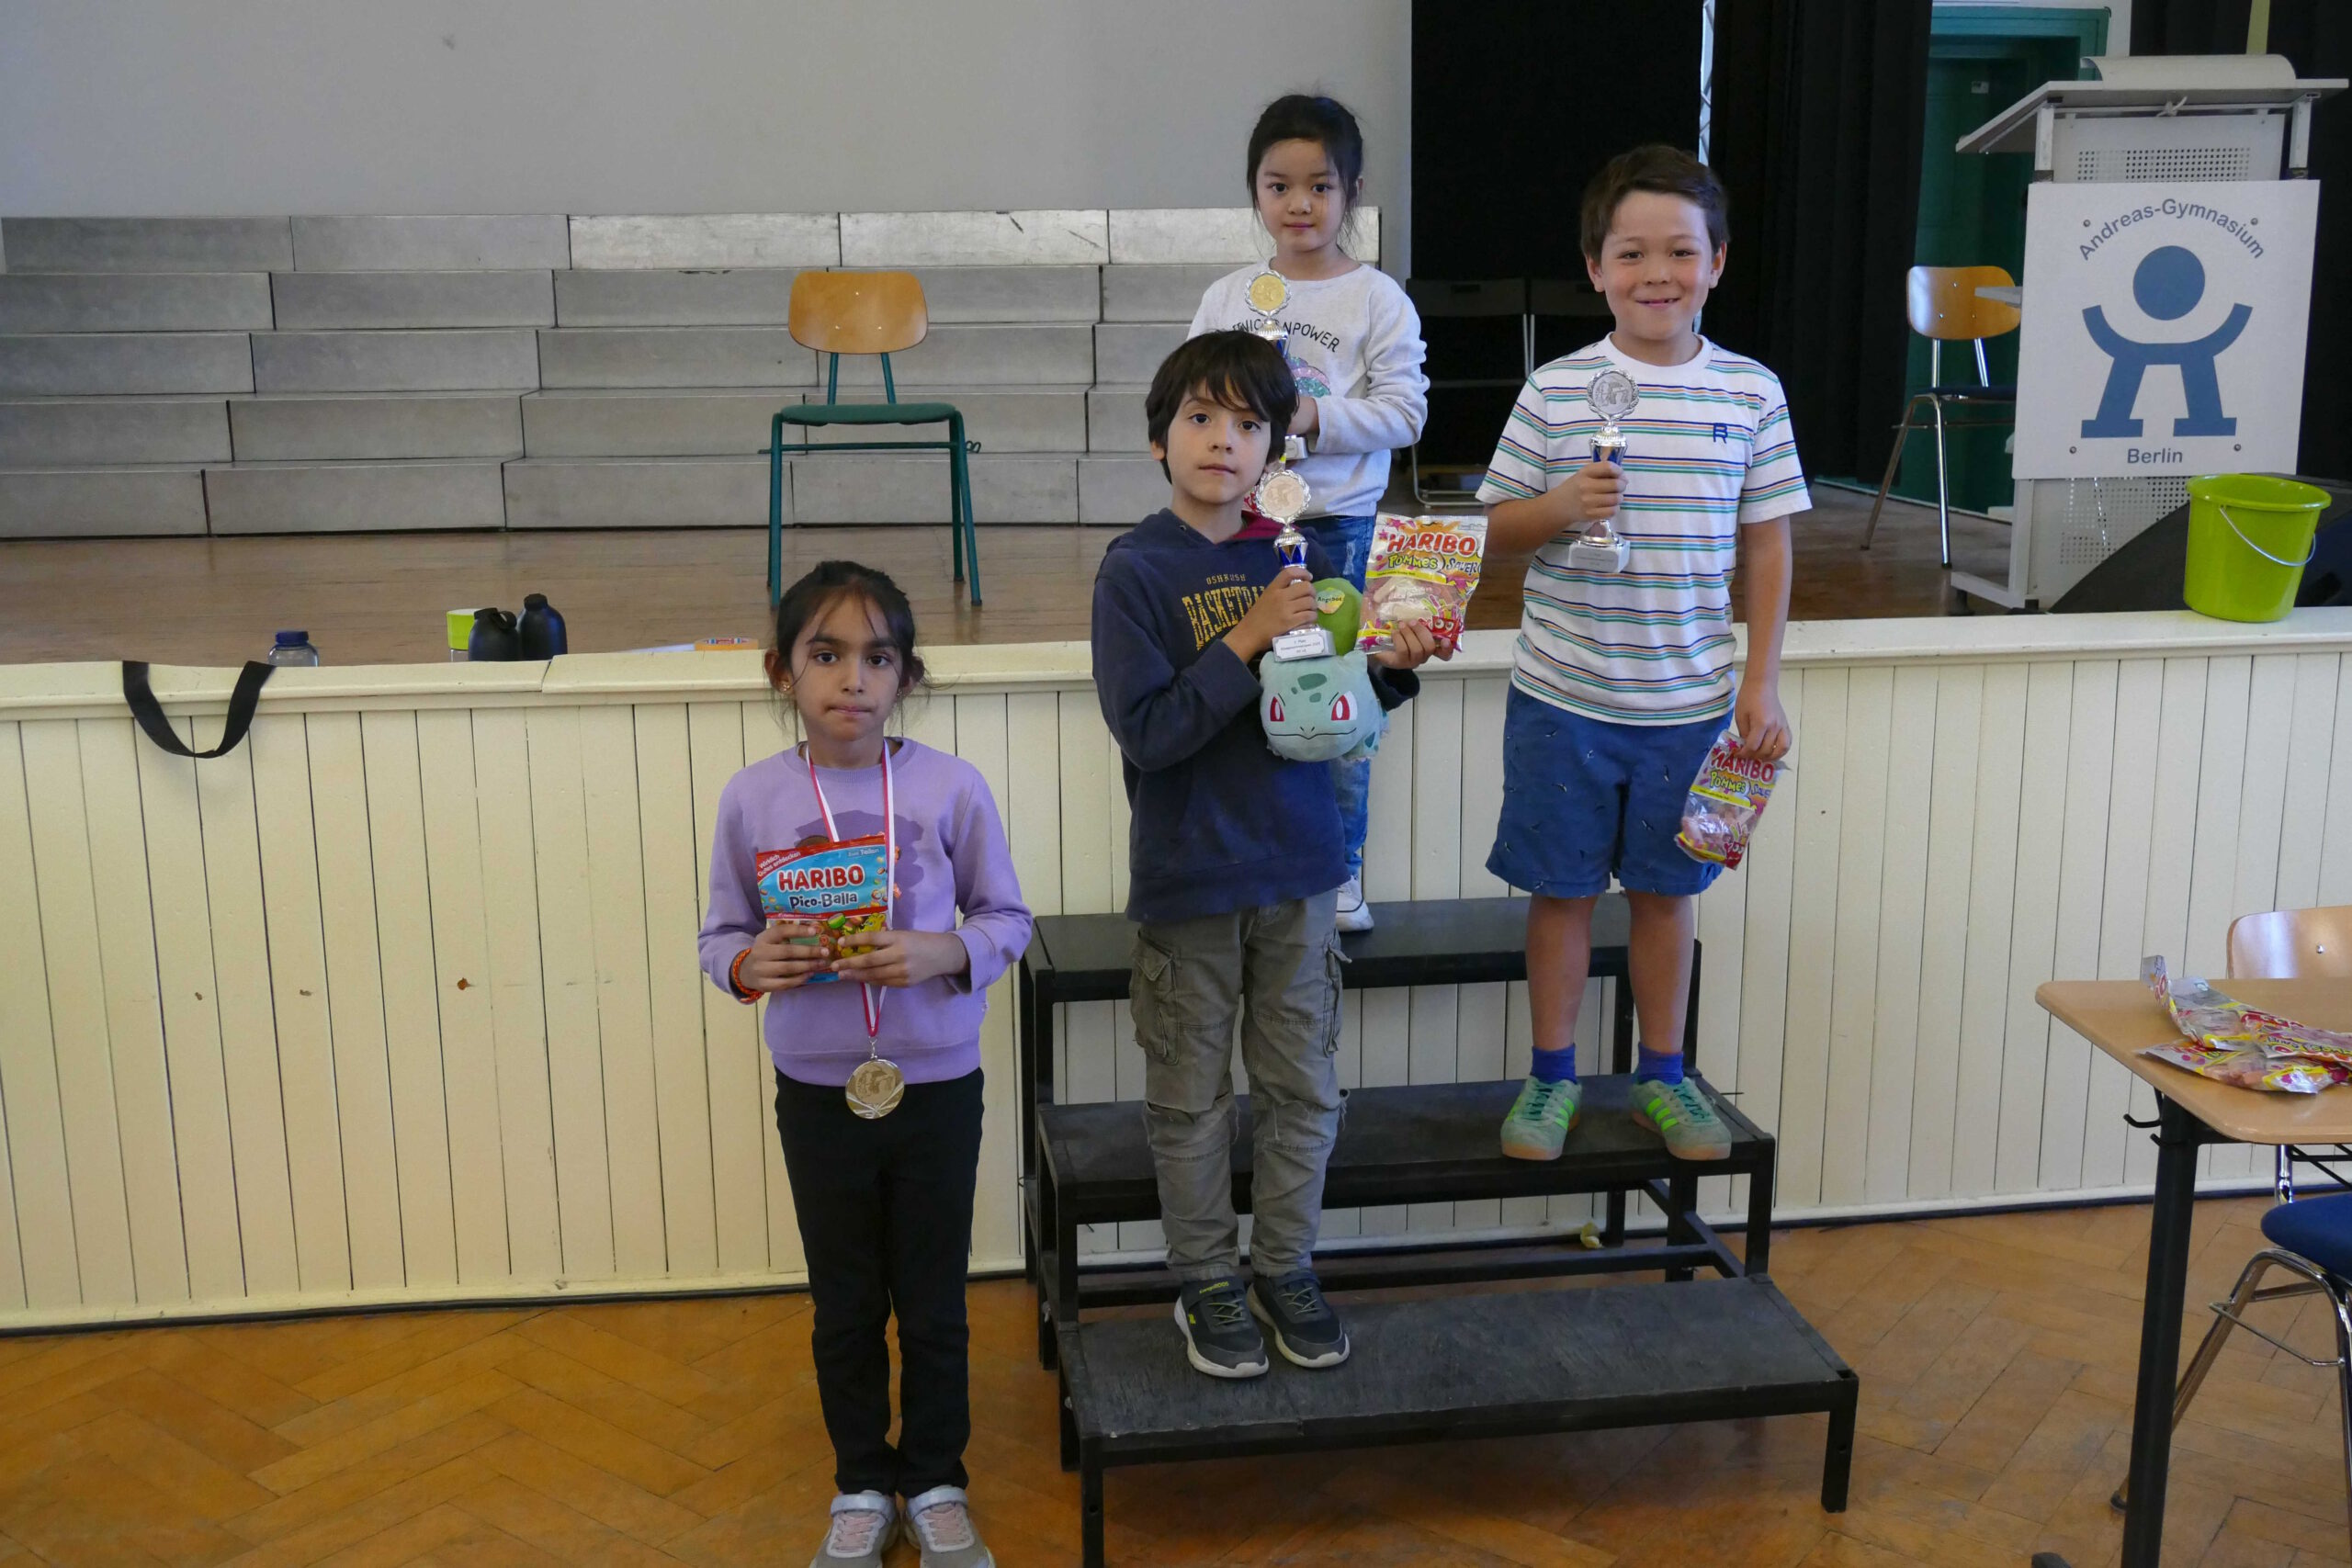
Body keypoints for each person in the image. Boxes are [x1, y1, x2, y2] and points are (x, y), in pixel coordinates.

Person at [1091, 331, 1444, 1379]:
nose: (1223, 440)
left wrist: (1392, 670)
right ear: (1157, 440)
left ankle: (1285, 1266)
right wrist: (1245, 637)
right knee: (1190, 1099)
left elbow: (1327, 719)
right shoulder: (1134, 570)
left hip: (1299, 871)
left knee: (1304, 1092)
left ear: (1276, 452)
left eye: (1249, 424)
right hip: (1190, 879)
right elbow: (1149, 733)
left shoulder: (1296, 559)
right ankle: (1206, 1279)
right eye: (1200, 417)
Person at [1477, 145, 1804, 1165]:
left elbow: (1768, 544)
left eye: (1679, 251)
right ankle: (1551, 1078)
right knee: (1561, 893)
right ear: (1594, 268)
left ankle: (1664, 1075)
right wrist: (1557, 508)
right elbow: (1493, 530)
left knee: (1669, 895)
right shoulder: (1555, 389)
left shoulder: (1751, 392)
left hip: (1690, 705)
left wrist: (1760, 682)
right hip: (1561, 699)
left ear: (1718, 262)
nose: (1656, 273)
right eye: (1630, 253)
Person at [699, 561, 1030, 1568]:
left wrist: (943, 951)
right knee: (844, 1301)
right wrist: (752, 965)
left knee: (932, 1300)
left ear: (906, 676)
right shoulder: (753, 798)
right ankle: (859, 1481)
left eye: (877, 658)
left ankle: (934, 1480)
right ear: (782, 672)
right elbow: (720, 938)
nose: (853, 678)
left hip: (937, 1084)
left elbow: (1008, 918)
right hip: (816, 1090)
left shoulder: (950, 786)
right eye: (827, 654)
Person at [1187, 92, 1429, 934]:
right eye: (1278, 186)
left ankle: (1341, 872)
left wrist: (1311, 415)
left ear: (1352, 191)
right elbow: (1190, 400)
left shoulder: (1377, 298)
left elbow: (1407, 414)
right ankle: (1259, 869)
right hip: (1236, 529)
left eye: (1320, 187)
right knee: (1247, 698)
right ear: (1255, 190)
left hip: (1340, 530)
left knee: (1338, 700)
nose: (1299, 205)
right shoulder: (1229, 297)